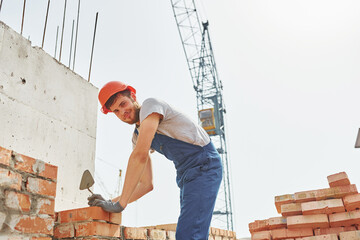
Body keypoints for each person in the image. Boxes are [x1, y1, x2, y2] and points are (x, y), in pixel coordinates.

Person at [88, 81, 222, 240]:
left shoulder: (151, 106)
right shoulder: (137, 137)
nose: (123, 111)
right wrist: (111, 202)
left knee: (189, 234)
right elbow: (145, 185)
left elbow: (140, 156)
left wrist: (120, 204)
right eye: (116, 111)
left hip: (204, 165)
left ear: (132, 96)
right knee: (194, 231)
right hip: (186, 175)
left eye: (123, 104)